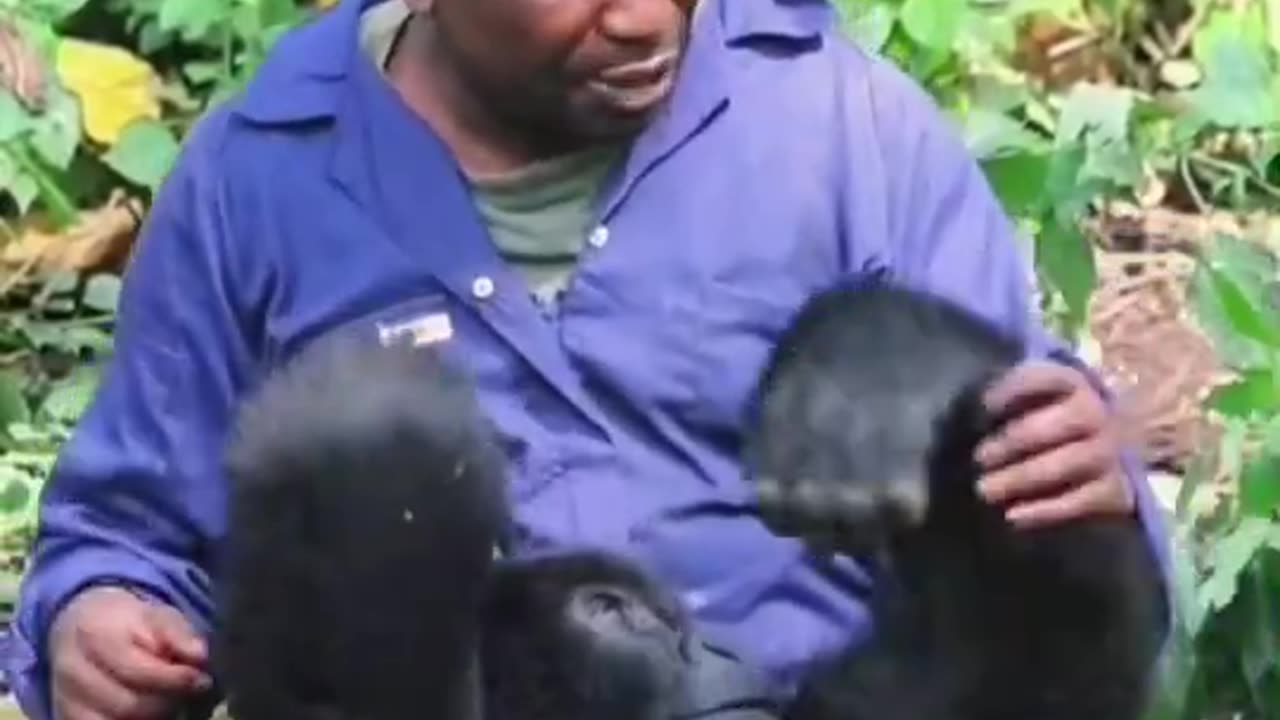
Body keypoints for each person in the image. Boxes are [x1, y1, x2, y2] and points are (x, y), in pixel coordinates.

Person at [5, 0, 1170, 718]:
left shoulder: (843, 127)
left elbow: (1054, 575)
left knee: (908, 368)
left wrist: (1071, 474)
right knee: (369, 456)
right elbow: (127, 538)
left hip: (815, 697)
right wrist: (99, 622)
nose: (645, 17)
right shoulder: (257, 179)